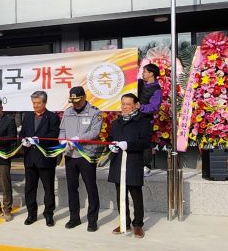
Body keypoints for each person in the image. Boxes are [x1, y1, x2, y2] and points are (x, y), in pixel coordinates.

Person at [108, 93, 152, 239]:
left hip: (133, 162)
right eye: (123, 104)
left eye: (128, 104)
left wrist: (129, 145)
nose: (125, 107)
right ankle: (124, 222)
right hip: (118, 161)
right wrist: (111, 145)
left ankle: (138, 224)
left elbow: (146, 142)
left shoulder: (143, 122)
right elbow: (111, 138)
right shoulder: (117, 122)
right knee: (120, 193)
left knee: (135, 193)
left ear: (136, 105)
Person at [59, 86, 103, 232]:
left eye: (78, 101)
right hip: (70, 155)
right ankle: (74, 218)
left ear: (84, 97)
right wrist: (62, 141)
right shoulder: (68, 112)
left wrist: (79, 138)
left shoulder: (94, 112)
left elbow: (95, 132)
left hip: (86, 154)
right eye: (73, 101)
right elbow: (62, 130)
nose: (75, 104)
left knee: (91, 187)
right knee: (72, 187)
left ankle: (92, 220)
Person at [20, 90, 60, 227]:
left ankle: (49, 214)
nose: (35, 105)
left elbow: (54, 135)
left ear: (45, 102)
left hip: (45, 159)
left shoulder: (52, 117)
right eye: (33, 103)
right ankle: (31, 214)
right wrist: (24, 140)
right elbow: (23, 133)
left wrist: (39, 140)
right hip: (30, 159)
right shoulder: (28, 116)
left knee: (48, 188)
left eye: (38, 103)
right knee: (30, 188)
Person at [138, 63, 161, 176]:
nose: (143, 73)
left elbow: (154, 107)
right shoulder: (139, 83)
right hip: (134, 118)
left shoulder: (156, 89)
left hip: (146, 120)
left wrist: (140, 107)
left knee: (145, 143)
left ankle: (146, 166)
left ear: (151, 74)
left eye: (145, 71)